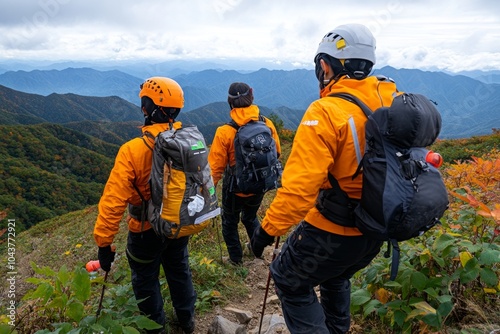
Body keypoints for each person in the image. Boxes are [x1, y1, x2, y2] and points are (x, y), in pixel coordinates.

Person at [251, 23, 400, 333]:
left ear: (324, 65)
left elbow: (299, 190)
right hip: (376, 228)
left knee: (288, 279)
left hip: (334, 229)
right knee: (336, 275)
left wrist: (266, 232)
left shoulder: (327, 111)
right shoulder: (391, 102)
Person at [93, 77, 196, 334]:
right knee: (179, 269)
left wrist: (104, 243)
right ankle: (187, 320)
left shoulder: (132, 150)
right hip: (177, 221)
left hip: (145, 230)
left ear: (146, 109)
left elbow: (113, 201)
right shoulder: (188, 140)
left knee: (146, 280)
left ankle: (155, 329)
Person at [208, 82, 281, 265]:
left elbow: (215, 169)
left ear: (230, 102)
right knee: (249, 217)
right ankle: (258, 252)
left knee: (230, 222)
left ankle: (235, 259)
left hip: (236, 188)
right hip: (260, 184)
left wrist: (208, 194)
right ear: (252, 97)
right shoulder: (267, 123)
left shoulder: (225, 131)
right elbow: (277, 152)